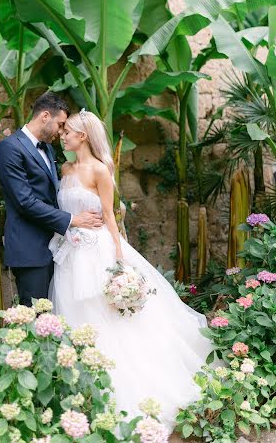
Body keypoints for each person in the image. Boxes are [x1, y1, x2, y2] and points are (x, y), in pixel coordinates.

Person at [49, 109, 213, 431]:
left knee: (107, 319)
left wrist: (119, 255)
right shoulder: (65, 168)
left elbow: (110, 215)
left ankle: (121, 385)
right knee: (73, 313)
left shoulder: (100, 170)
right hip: (68, 252)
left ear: (82, 136)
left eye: (67, 131)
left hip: (96, 250)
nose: (63, 135)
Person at [0, 93, 103, 306]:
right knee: (35, 318)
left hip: (58, 248)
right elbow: (24, 202)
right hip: (30, 249)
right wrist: (73, 219)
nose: (62, 132)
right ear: (45, 116)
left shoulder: (48, 148)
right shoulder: (10, 148)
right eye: (60, 124)